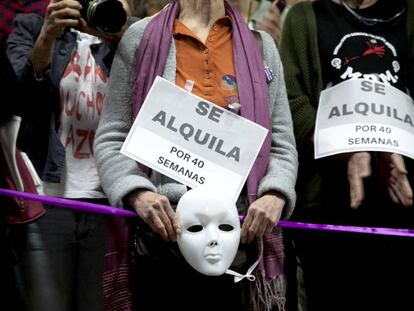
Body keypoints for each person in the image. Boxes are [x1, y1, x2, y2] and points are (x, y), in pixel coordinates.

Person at [94, 0, 298, 310]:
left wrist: (275, 194)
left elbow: (281, 141)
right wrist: (137, 193)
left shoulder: (261, 46)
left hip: (239, 235)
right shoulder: (140, 38)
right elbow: (111, 136)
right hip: (162, 235)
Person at [279, 0, 414, 310]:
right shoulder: (304, 17)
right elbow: (290, 102)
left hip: (402, 202)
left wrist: (390, 148)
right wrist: (347, 147)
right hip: (326, 206)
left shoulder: (410, 16)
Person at [6, 0, 133, 310]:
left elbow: (151, 94)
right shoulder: (32, 26)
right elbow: (17, 99)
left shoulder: (130, 32)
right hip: (48, 200)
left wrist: (119, 38)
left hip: (109, 200)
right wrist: (47, 35)